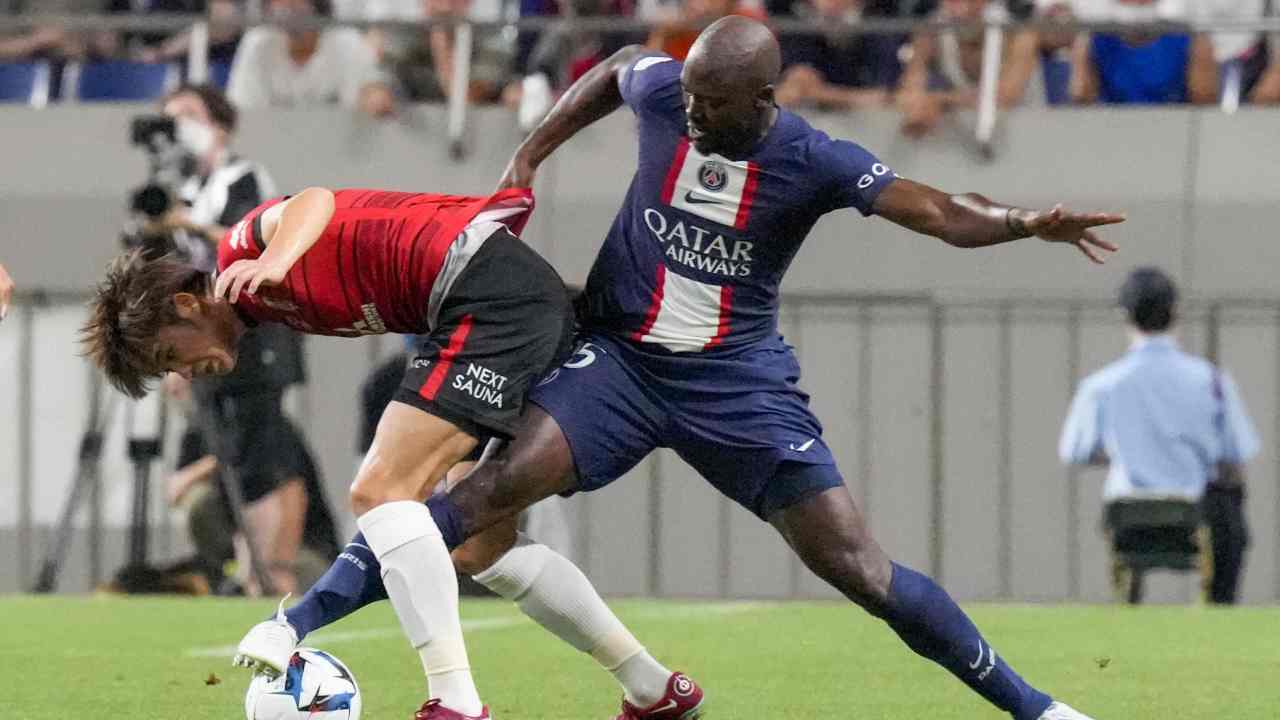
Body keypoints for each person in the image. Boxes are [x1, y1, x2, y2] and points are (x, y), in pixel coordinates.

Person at [249, 16, 1124, 720]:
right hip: (617, 365)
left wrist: (1019, 221)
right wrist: (531, 152)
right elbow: (622, 63)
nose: (690, 113)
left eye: (712, 103)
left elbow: (937, 211)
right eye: (690, 95)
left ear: (762, 98)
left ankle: (1037, 709)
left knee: (861, 570)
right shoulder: (668, 92)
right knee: (481, 498)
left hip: (735, 384)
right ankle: (298, 627)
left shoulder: (815, 159)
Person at [81, 186, 683, 720]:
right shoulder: (256, 303)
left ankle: (456, 702)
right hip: (489, 302)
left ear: (188, 305)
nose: (186, 371)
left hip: (485, 298)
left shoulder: (242, 253)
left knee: (380, 489)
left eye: (169, 356)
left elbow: (315, 200)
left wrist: (274, 257)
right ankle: (652, 687)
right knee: (480, 544)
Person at [1059, 267, 1259, 605]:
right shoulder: (1211, 381)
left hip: (1128, 514)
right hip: (1197, 515)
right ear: (1175, 311)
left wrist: (1124, 450)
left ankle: (1126, 599)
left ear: (1124, 314)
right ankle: (1220, 606)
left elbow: (1074, 450)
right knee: (1230, 506)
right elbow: (1236, 452)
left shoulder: (1102, 386)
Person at [896, 0, 1042, 137]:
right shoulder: (931, 29)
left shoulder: (1020, 29)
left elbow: (1005, 97)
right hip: (963, 137)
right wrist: (912, 100)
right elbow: (910, 87)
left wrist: (939, 101)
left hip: (1028, 132)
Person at [226, 0, 397, 118]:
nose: (288, 8)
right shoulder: (256, 43)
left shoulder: (348, 42)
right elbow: (241, 111)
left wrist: (373, 96)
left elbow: (369, 100)